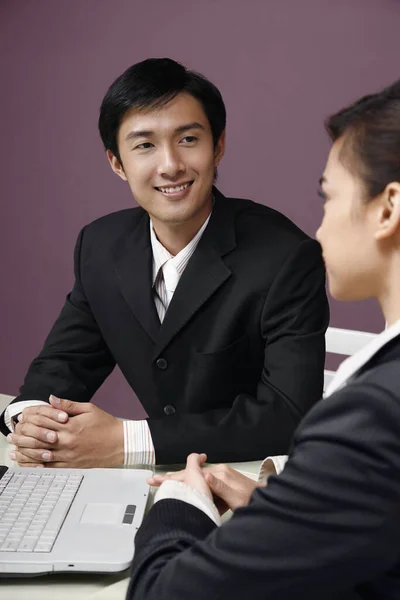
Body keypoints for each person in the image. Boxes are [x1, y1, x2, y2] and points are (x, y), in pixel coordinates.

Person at [126, 79, 400, 600]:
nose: (318, 231)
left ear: (387, 209)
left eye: (329, 197)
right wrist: (298, 512)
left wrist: (179, 508)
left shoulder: (373, 416)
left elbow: (161, 595)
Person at [0, 58, 328, 468]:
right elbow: (66, 362)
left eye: (188, 139)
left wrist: (126, 439)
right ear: (117, 163)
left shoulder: (285, 257)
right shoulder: (100, 245)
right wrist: (30, 418)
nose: (170, 164)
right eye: (144, 145)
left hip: (252, 481)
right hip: (153, 479)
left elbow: (289, 416)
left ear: (218, 146)